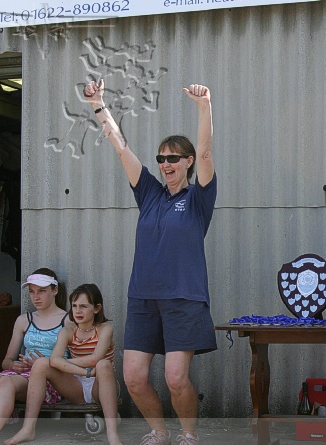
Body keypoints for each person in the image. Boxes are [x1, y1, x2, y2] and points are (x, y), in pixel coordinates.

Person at [83, 79, 217, 445]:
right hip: (142, 298)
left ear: (187, 162)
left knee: (176, 378)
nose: (165, 164)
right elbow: (120, 146)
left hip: (183, 299)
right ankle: (159, 429)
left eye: (173, 158)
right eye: (161, 158)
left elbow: (205, 153)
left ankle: (188, 434)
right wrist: (99, 104)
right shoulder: (150, 194)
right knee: (135, 377)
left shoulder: (198, 199)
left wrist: (205, 106)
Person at [4, 283, 122, 445]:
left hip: (101, 384)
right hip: (77, 386)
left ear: (96, 308)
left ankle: (112, 434)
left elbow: (94, 359)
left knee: (102, 365)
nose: (78, 311)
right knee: (41, 364)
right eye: (74, 306)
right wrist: (86, 372)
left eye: (83, 306)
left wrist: (63, 362)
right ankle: (28, 429)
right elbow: (53, 360)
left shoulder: (104, 329)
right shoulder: (67, 330)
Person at [0, 268, 70, 436]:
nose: (35, 297)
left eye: (42, 291)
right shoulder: (24, 320)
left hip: (50, 379)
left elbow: (76, 361)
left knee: (6, 382)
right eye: (32, 292)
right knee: (2, 378)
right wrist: (14, 365)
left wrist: (42, 363)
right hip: (20, 376)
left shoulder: (68, 320)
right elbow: (6, 361)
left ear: (55, 290)